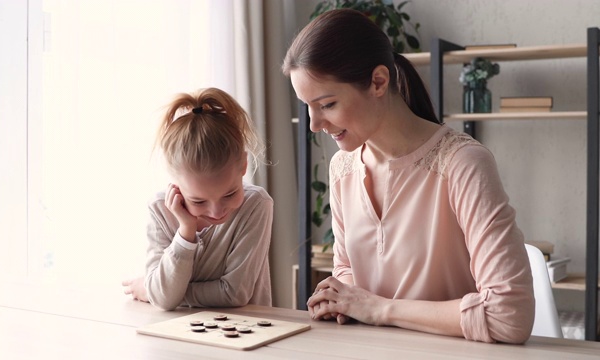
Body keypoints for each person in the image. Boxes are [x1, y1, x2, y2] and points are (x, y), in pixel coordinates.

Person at [282, 9, 534, 344]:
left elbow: (509, 315)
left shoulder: (463, 165)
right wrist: (339, 296)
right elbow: (349, 271)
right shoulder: (342, 169)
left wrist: (381, 309)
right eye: (307, 107)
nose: (314, 124)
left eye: (326, 104)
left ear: (378, 82)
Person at [122, 87, 273, 310]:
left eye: (230, 194)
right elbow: (163, 299)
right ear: (175, 184)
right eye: (199, 201)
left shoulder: (256, 205)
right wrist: (185, 231)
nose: (217, 211)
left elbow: (233, 294)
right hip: (178, 333)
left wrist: (153, 290)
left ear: (244, 164)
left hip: (245, 334)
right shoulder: (160, 210)